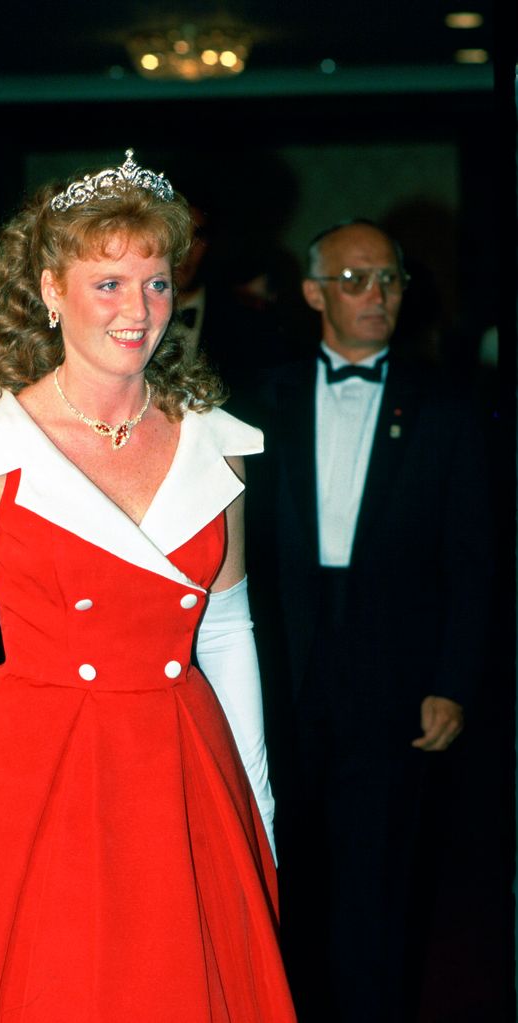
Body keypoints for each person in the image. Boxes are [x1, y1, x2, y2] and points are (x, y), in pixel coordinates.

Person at [0, 150, 296, 1023]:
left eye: (158, 283)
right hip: (36, 772)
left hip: (181, 763)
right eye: (108, 284)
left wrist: (259, 801)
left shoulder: (216, 442)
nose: (138, 311)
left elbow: (228, 631)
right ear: (53, 290)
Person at [250, 219, 493, 1022]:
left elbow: (474, 560)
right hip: (281, 669)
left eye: (388, 279)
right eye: (354, 280)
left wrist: (452, 683)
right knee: (275, 878)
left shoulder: (449, 407)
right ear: (315, 293)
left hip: (393, 679)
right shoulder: (261, 399)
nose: (376, 295)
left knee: (378, 888)